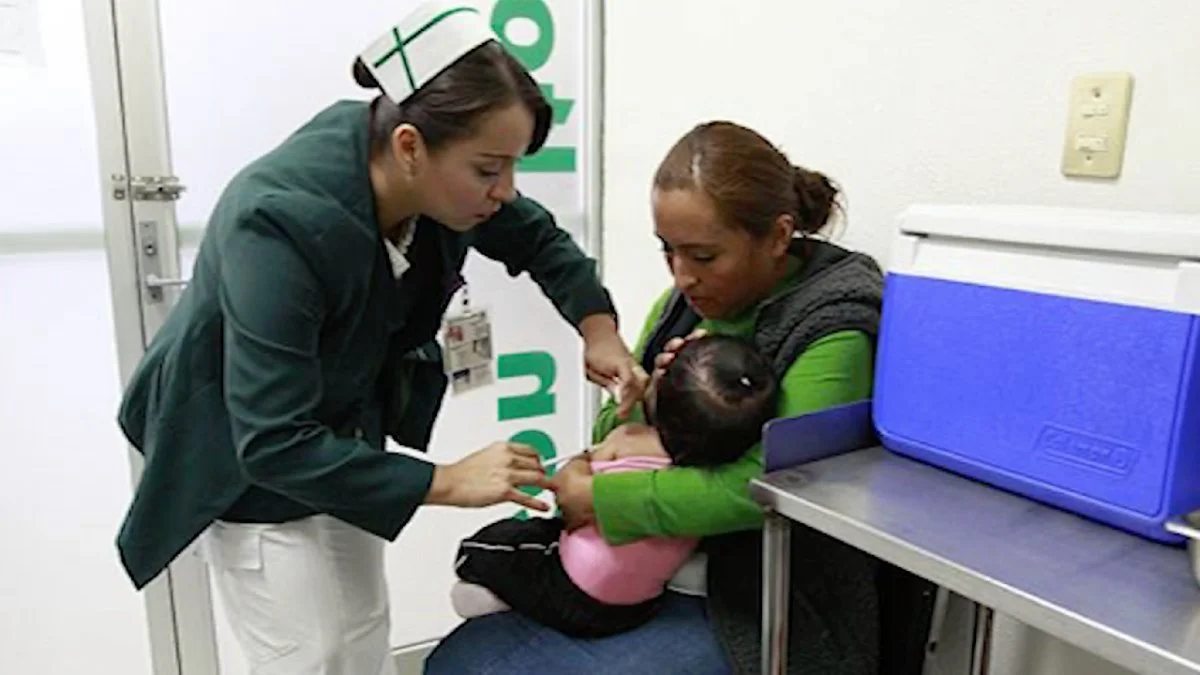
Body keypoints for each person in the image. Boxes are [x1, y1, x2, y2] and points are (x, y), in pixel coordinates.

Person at [112, 3, 646, 674]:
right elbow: (271, 439)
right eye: (489, 169)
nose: (505, 191)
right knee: (309, 654)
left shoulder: (432, 179)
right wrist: (447, 479)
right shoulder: (276, 223)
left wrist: (599, 330)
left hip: (341, 425)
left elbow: (536, 237)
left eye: (512, 167)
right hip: (247, 453)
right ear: (410, 148)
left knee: (361, 633)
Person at [425, 120, 885, 674]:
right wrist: (647, 407)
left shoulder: (834, 327)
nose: (682, 276)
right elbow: (616, 426)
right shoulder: (687, 303)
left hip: (758, 594)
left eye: (704, 256)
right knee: (461, 661)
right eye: (668, 252)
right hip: (653, 563)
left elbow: (765, 488)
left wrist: (600, 499)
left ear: (780, 236)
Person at [449, 334, 781, 639]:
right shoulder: (719, 466)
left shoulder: (626, 440)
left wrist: (580, 460)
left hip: (578, 596)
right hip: (637, 607)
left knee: (490, 546)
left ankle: (491, 596)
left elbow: (571, 489)